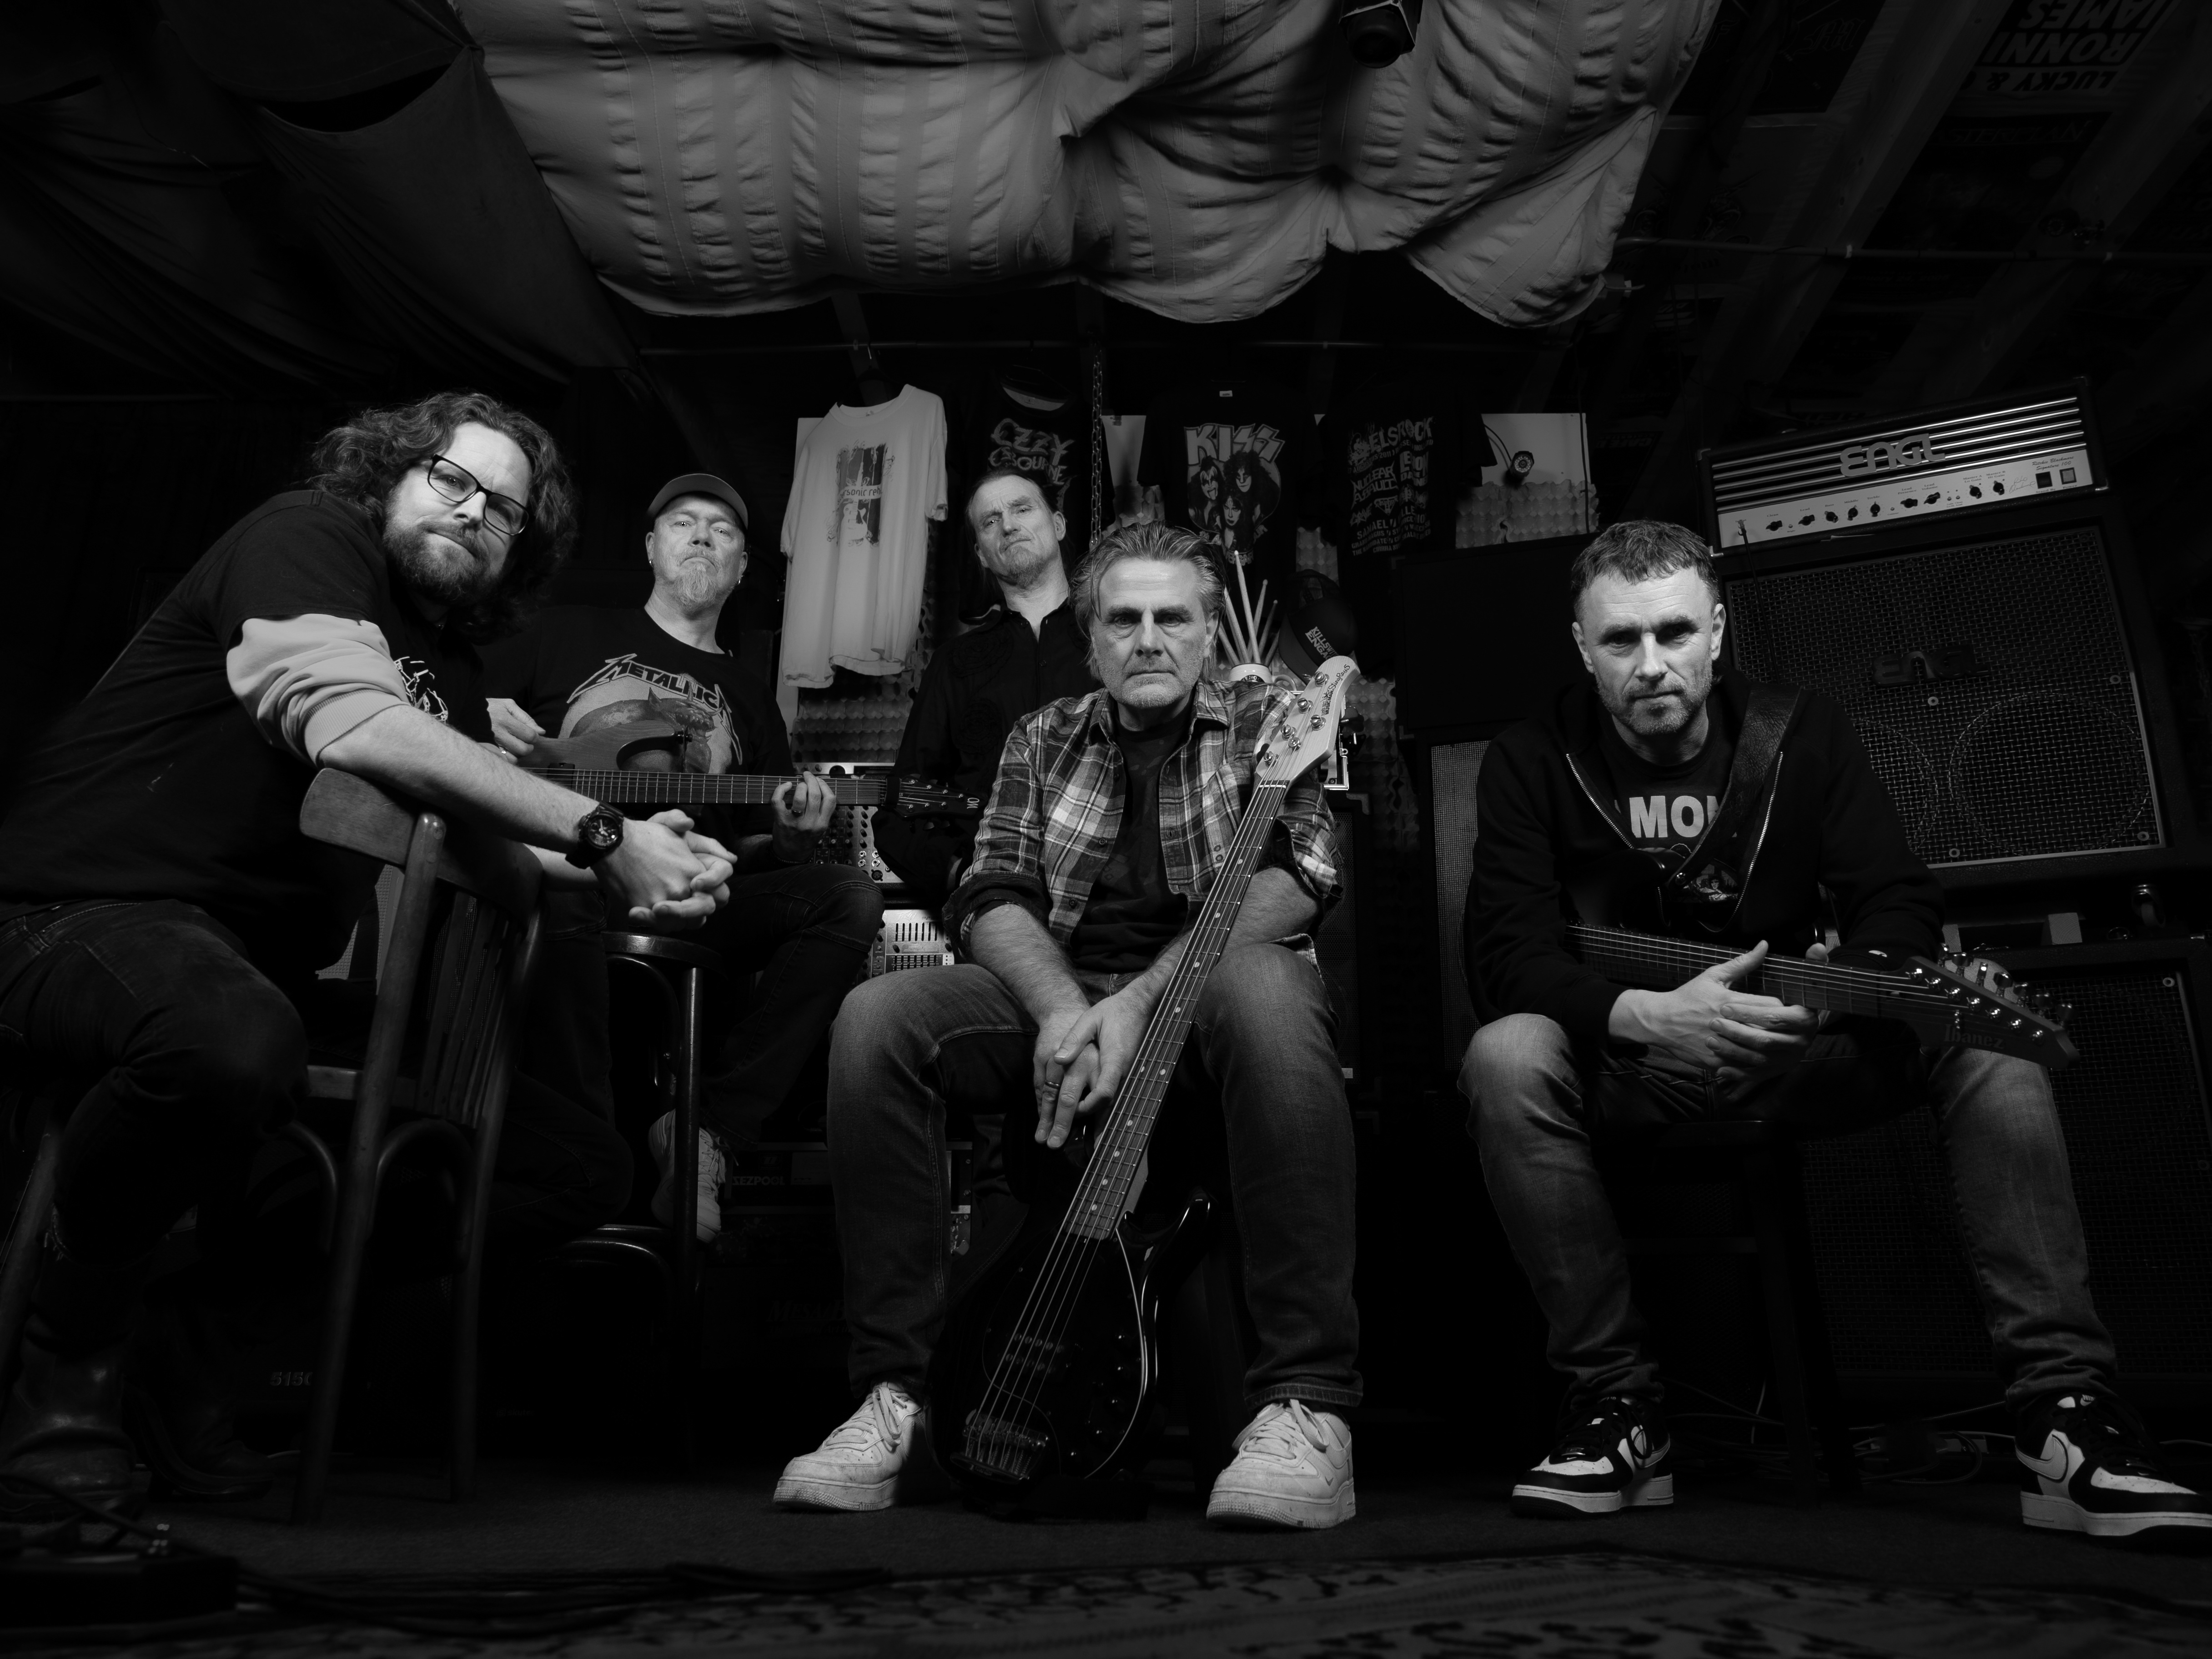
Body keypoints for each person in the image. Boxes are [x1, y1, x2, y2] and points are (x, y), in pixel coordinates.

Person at [0, 391, 734, 1519]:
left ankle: (188, 1339)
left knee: (571, 1165)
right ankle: (63, 1373)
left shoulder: (445, 664)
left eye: (504, 512)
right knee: (226, 1038)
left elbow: (475, 839)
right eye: (452, 480)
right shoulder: (306, 536)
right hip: (79, 911)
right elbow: (347, 722)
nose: (474, 513)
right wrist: (601, 833)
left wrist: (642, 858)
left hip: (255, 974)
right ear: (389, 472)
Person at [1458, 519, 2210, 1542]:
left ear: (1715, 630)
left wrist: (1818, 999)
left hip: (1791, 1048)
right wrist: (1648, 1016)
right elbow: (1505, 954)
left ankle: (2062, 1413)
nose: (1650, 664)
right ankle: (1616, 1406)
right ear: (1581, 648)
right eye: (1620, 640)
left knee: (1979, 1034)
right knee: (1503, 1052)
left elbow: (1895, 902)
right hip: (1630, 1061)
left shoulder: (1798, 730)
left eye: (1672, 632)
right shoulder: (1529, 757)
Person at [774, 521, 1361, 1530]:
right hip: (1064, 988)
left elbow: (1298, 878)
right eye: (1122, 620)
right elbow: (989, 887)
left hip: (1211, 992)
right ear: (1089, 640)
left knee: (1269, 990)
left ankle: (1306, 1405)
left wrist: (1137, 1004)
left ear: (1208, 630)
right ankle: (901, 1399)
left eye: (1171, 617)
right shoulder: (1041, 734)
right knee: (876, 1018)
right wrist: (1061, 1010)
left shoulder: (1270, 717)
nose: (1148, 639)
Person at [484, 474, 883, 1242]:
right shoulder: (560, 632)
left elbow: (750, 848)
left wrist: (790, 840)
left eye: (722, 530)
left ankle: (705, 1129)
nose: (702, 535)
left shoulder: (751, 696)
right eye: (682, 522)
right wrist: (484, 716)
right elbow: (449, 720)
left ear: (741, 566)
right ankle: (581, 1171)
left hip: (689, 897)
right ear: (650, 547)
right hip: (559, 879)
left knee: (848, 895)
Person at [873, 468, 1099, 913]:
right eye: (990, 521)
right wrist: (960, 874)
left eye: (1022, 509)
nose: (1008, 526)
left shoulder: (1116, 640)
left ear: (1057, 524)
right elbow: (901, 806)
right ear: (980, 553)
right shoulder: (953, 664)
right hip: (996, 907)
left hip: (1109, 909)